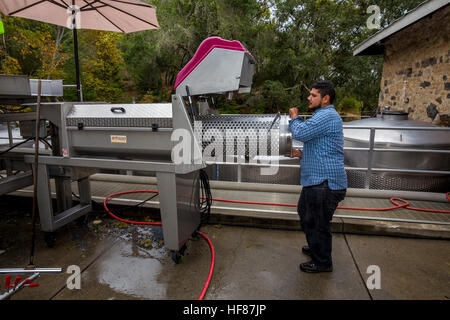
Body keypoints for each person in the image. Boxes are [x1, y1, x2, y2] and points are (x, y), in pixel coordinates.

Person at [288, 80, 347, 273]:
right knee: (305, 214)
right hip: (317, 180)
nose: (309, 97)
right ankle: (316, 247)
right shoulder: (324, 116)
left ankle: (322, 262)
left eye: (313, 95)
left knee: (318, 223)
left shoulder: (327, 115)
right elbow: (324, 149)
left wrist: (294, 118)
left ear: (325, 98)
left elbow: (301, 133)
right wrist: (301, 154)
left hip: (324, 183)